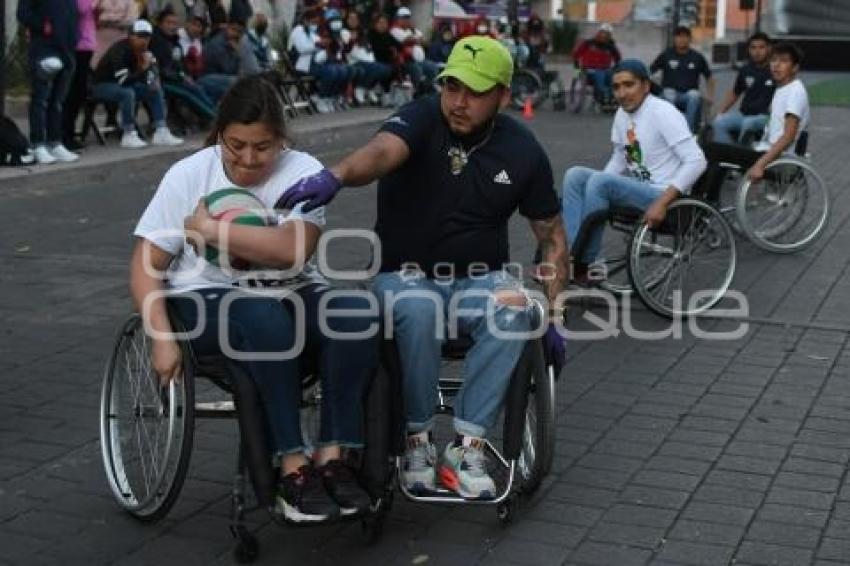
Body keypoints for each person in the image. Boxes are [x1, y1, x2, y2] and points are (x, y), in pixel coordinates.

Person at [277, 36, 570, 499]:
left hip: (481, 278)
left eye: (474, 91)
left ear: (503, 96)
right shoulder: (419, 118)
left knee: (516, 310)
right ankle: (416, 440)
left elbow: (552, 236)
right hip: (405, 275)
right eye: (451, 86)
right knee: (418, 308)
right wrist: (337, 176)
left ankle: (467, 446)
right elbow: (380, 153)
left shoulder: (522, 150)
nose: (458, 101)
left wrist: (554, 313)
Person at [130, 73, 379, 522]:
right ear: (220, 135)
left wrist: (208, 229)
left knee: (357, 312)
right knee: (262, 317)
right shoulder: (189, 174)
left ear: (281, 140)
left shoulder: (303, 171)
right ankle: (291, 467)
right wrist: (160, 336)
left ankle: (333, 456)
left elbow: (292, 250)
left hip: (293, 289)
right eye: (235, 144)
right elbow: (146, 263)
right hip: (205, 297)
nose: (247, 159)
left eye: (262, 147)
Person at [562, 59, 707, 283]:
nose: (622, 93)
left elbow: (697, 161)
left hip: (666, 197)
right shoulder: (622, 115)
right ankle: (572, 253)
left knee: (600, 182)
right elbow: (620, 157)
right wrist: (597, 187)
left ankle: (588, 263)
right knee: (575, 175)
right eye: (617, 87)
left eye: (629, 85)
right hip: (642, 189)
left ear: (646, 86)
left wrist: (662, 202)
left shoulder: (662, 112)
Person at [701, 43, 809, 198]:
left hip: (779, 160)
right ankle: (704, 204)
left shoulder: (795, 92)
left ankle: (700, 209)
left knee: (711, 150)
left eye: (784, 61)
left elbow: (788, 137)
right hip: (767, 151)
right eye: (773, 60)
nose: (776, 65)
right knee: (716, 154)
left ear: (795, 68)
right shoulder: (782, 89)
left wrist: (760, 165)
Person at [92, 19, 185, 148]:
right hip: (101, 86)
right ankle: (128, 133)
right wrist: (143, 69)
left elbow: (147, 79)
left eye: (147, 37)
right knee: (127, 93)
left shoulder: (146, 52)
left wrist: (151, 74)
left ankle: (161, 130)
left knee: (154, 90)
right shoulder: (120, 50)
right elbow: (123, 81)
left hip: (124, 85)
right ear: (131, 35)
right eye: (140, 36)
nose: (144, 41)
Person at [16, 0, 79, 164]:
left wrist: (74, 38)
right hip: (44, 48)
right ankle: (38, 144)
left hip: (66, 50)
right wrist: (42, 25)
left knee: (57, 102)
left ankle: (55, 142)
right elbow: (23, 13)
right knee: (41, 100)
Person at [149, 6, 217, 128]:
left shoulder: (174, 41)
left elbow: (180, 63)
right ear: (160, 24)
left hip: (176, 78)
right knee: (188, 93)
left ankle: (216, 116)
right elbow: (160, 68)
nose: (172, 26)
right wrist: (181, 76)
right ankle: (215, 118)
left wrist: (185, 75)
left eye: (175, 23)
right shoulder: (156, 41)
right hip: (161, 81)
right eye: (168, 23)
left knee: (197, 88)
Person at [711, 32, 774, 145]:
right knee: (718, 123)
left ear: (769, 49)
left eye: (761, 47)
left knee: (748, 123)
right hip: (743, 114)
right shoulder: (745, 69)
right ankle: (729, 152)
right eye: (753, 48)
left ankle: (742, 155)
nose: (757, 52)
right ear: (749, 50)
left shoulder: (775, 70)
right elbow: (735, 93)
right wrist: (720, 112)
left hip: (765, 117)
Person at [650, 26, 714, 133]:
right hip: (668, 93)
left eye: (685, 37)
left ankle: (687, 132)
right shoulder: (666, 54)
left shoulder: (697, 57)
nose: (682, 39)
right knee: (668, 93)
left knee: (694, 95)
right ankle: (670, 130)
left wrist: (710, 96)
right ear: (674, 38)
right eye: (679, 36)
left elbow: (709, 77)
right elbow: (649, 72)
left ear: (690, 39)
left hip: (688, 95)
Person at [62, 0, 97, 152]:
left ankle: (70, 133)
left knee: (80, 93)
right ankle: (65, 134)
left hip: (87, 44)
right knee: (73, 92)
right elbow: (82, 8)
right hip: (78, 44)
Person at [389, 7, 439, 95]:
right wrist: (416, 39)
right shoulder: (394, 30)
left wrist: (416, 38)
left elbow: (425, 41)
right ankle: (417, 92)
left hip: (420, 60)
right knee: (417, 70)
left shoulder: (412, 29)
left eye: (407, 18)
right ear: (398, 18)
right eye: (403, 18)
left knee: (433, 68)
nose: (405, 20)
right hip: (406, 61)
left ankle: (427, 89)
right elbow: (406, 40)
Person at [571, 23, 621, 106]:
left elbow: (617, 58)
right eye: (603, 32)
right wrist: (576, 65)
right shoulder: (588, 43)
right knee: (600, 76)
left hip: (605, 69)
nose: (604, 35)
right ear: (599, 32)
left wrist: (617, 67)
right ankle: (600, 97)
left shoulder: (611, 46)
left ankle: (611, 99)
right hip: (588, 70)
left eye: (607, 34)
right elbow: (577, 53)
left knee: (614, 79)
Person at [199, 19, 245, 103]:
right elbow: (228, 70)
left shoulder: (229, 43)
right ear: (227, 28)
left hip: (218, 78)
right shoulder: (218, 44)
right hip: (205, 79)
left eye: (239, 32)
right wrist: (237, 54)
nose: (235, 34)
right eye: (233, 29)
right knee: (238, 83)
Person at [92, 0, 138, 67]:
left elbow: (131, 20)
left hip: (120, 38)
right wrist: (117, 18)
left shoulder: (130, 2)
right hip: (100, 38)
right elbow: (92, 14)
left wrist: (109, 20)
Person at [178, 15, 208, 79]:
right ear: (186, 24)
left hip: (198, 76)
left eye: (199, 26)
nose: (196, 29)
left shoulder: (198, 41)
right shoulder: (177, 36)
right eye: (194, 24)